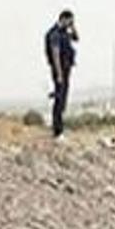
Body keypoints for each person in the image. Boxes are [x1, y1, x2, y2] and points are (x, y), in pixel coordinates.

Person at [43, 9, 78, 139]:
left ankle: (59, 127)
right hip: (60, 70)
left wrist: (73, 27)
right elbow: (55, 54)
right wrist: (59, 74)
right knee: (59, 100)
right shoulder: (55, 34)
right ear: (63, 19)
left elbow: (76, 38)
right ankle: (57, 131)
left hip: (66, 69)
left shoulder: (65, 32)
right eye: (70, 21)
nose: (71, 24)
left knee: (62, 100)